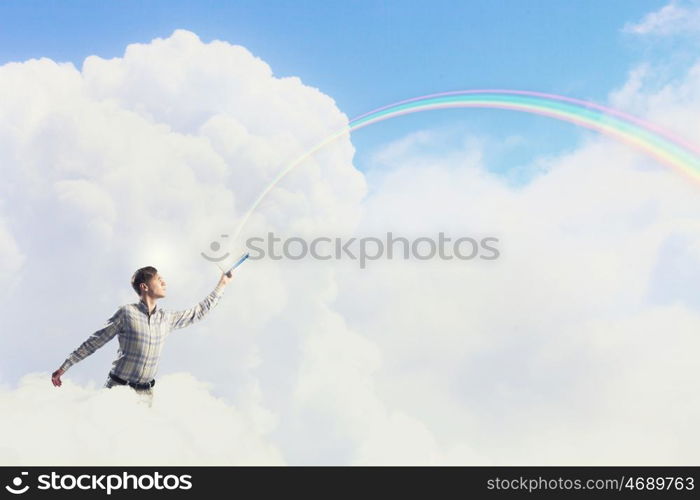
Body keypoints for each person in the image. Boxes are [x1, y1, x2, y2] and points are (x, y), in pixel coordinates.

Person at [51, 266, 233, 407]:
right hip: (117, 389)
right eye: (159, 279)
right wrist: (65, 366)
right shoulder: (126, 313)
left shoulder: (166, 318)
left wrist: (222, 284)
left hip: (145, 396)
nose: (164, 283)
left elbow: (199, 312)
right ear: (144, 287)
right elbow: (95, 341)